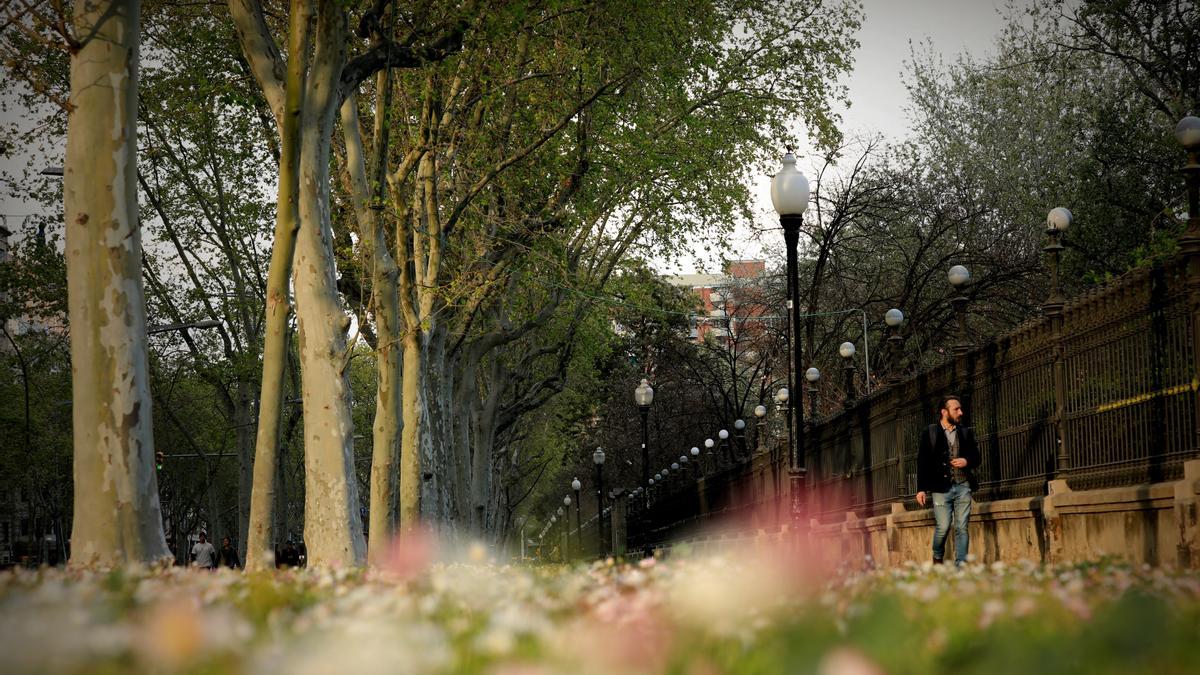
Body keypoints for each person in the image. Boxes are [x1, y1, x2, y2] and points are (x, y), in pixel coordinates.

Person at [916, 395, 980, 567]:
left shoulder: (965, 432)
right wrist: (921, 489)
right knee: (943, 527)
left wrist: (967, 461)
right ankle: (937, 556)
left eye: (960, 408)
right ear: (944, 412)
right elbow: (922, 461)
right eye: (956, 409)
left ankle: (961, 568)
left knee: (961, 528)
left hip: (963, 486)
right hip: (940, 488)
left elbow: (976, 457)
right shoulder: (930, 432)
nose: (961, 412)